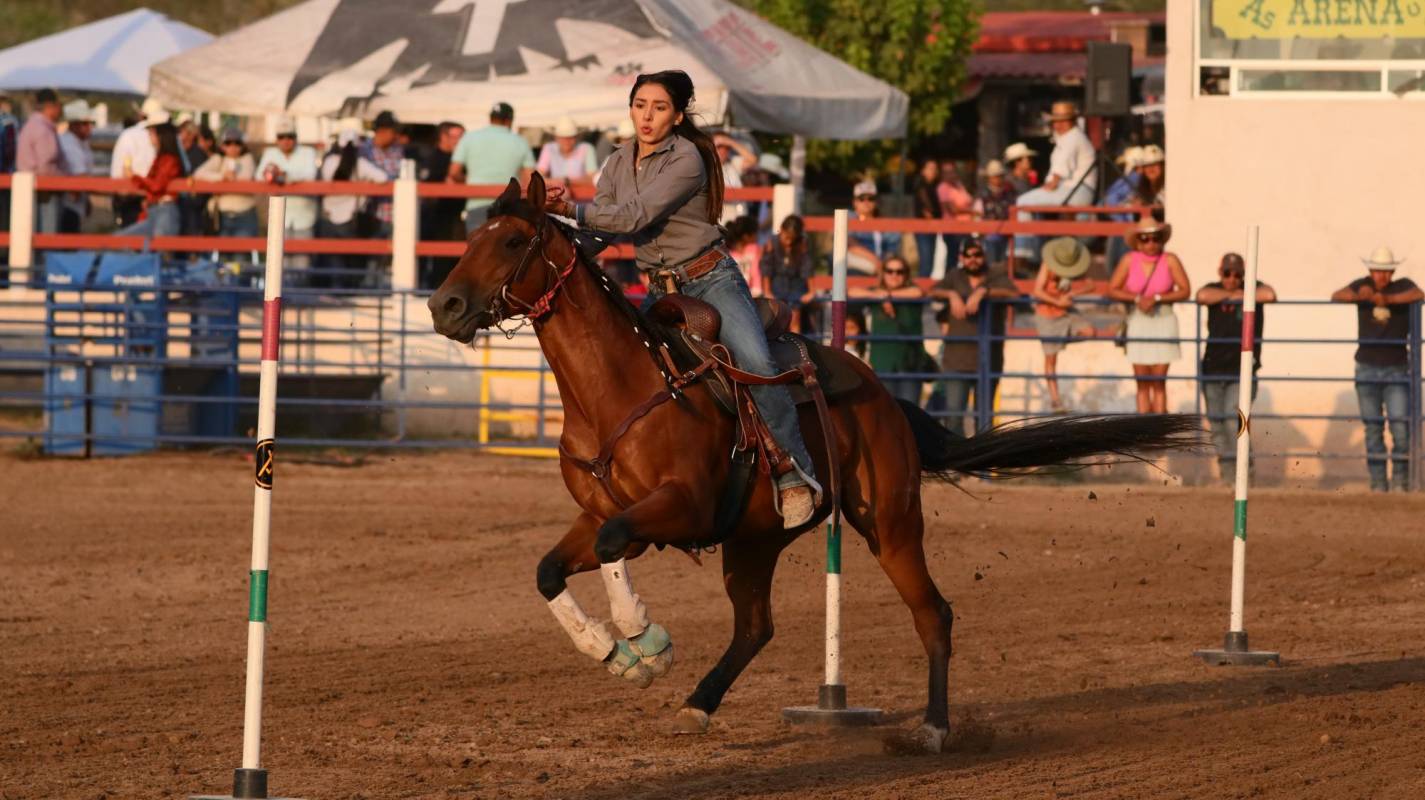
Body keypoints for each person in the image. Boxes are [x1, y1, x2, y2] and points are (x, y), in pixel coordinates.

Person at [544, 69, 820, 527]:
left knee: (755, 364)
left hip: (711, 280)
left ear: (676, 115)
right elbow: (603, 232)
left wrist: (569, 208)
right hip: (657, 289)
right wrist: (555, 237)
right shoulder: (615, 163)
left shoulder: (686, 158)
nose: (647, 116)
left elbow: (632, 218)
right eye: (640, 105)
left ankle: (795, 472)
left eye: (659, 108)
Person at [1330, 247, 1423, 492]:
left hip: (1395, 369)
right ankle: (1379, 484)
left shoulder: (1402, 286)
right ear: (1371, 271)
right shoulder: (1363, 285)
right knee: (1373, 429)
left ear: (1392, 272)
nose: (1381, 276)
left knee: (1400, 429)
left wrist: (1388, 300)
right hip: (1368, 368)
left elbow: (1419, 293)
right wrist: (1360, 294)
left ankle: (1400, 482)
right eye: (1377, 271)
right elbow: (1336, 295)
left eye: (1385, 271)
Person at [1197, 253, 1276, 483]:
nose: (1232, 278)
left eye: (1237, 275)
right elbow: (1202, 295)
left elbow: (1270, 294)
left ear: (1243, 275)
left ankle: (1245, 476)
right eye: (1227, 273)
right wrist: (1235, 296)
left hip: (1242, 371)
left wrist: (1239, 295)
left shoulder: (1255, 287)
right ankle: (1228, 476)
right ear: (1220, 272)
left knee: (1235, 421)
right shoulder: (1214, 288)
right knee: (1217, 424)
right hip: (1213, 368)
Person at [931, 239, 1018, 434]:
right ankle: (958, 462)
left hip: (988, 361)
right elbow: (933, 291)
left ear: (984, 256)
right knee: (952, 418)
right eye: (968, 255)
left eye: (977, 255)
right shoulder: (955, 275)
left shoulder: (995, 274)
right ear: (962, 257)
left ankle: (981, 463)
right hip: (956, 360)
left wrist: (984, 292)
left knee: (984, 419)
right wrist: (952, 295)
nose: (973, 259)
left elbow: (1014, 294)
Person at [1107, 219, 1191, 414]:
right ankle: (1144, 430)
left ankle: (1158, 431)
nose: (1150, 243)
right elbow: (1113, 288)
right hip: (1139, 321)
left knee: (1159, 382)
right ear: (1138, 241)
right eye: (1145, 239)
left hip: (1164, 320)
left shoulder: (1170, 259)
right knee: (1142, 383)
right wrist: (1137, 298)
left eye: (1155, 238)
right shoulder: (1129, 260)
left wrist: (1158, 298)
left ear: (1161, 240)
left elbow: (1185, 290)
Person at [1012, 101, 1097, 266]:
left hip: (1074, 191)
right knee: (1033, 210)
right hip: (1074, 190)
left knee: (1022, 203)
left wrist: (1051, 184)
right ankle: (1032, 254)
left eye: (1060, 120)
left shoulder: (1072, 137)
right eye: (1055, 121)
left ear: (1069, 121)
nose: (1056, 125)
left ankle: (1022, 254)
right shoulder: (1071, 137)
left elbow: (1061, 169)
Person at [849, 255, 929, 405]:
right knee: (886, 413)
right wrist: (878, 296)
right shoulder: (875, 294)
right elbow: (852, 291)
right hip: (882, 364)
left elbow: (918, 292)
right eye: (889, 271)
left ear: (906, 274)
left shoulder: (912, 293)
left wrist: (888, 296)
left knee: (910, 413)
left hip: (910, 365)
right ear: (883, 273)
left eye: (900, 271)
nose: (894, 275)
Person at [1032, 237, 1098, 414]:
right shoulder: (1047, 266)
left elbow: (1069, 292)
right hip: (1048, 314)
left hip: (1065, 311)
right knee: (1051, 359)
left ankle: (1061, 340)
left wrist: (1079, 291)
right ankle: (1056, 400)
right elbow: (1037, 290)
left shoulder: (1072, 267)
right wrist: (1058, 302)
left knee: (1090, 332)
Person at [318, 128, 390, 288]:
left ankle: (335, 289)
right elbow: (383, 178)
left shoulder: (330, 162)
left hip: (329, 215)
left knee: (332, 258)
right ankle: (347, 290)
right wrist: (365, 185)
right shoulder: (361, 164)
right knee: (350, 258)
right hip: (350, 217)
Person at [451, 101, 536, 233]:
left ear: (490, 118)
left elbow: (454, 172)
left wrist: (468, 180)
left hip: (477, 204)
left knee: (478, 250)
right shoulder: (520, 142)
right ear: (509, 121)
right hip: (509, 207)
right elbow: (530, 178)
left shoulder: (469, 138)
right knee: (507, 251)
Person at [257, 117, 319, 272]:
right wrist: (289, 178)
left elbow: (310, 174)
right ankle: (285, 296)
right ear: (277, 139)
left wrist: (282, 175)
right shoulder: (270, 152)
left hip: (303, 216)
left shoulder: (307, 152)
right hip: (278, 217)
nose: (285, 141)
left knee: (302, 263)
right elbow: (259, 175)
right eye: (281, 137)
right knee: (278, 264)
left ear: (295, 138)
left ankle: (298, 296)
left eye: (290, 136)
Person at [414, 120, 465, 288]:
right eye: (456, 136)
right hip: (434, 215)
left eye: (462, 136)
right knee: (431, 257)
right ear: (443, 136)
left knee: (452, 258)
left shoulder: (461, 160)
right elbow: (426, 187)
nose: (460, 141)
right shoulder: (432, 158)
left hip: (455, 216)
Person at [118, 120, 183, 239]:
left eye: (152, 133)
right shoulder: (162, 158)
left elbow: (156, 185)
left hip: (164, 211)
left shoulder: (168, 159)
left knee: (159, 251)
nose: (149, 136)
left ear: (160, 136)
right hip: (157, 210)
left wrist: (133, 176)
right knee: (125, 240)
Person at [17, 88, 66, 237]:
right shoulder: (43, 129)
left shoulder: (33, 125)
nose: (60, 110)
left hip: (32, 189)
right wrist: (64, 179)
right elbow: (46, 165)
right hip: (45, 191)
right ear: (50, 106)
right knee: (47, 235)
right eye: (58, 106)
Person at [194, 126, 258, 239]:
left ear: (242, 145)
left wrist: (224, 181)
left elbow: (246, 177)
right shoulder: (218, 159)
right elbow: (198, 174)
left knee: (241, 254)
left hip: (245, 214)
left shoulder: (247, 159)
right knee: (220, 253)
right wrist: (221, 176)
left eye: (237, 143)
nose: (232, 147)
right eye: (228, 143)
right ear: (222, 146)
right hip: (222, 215)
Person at [111, 98, 166, 229]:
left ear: (141, 115)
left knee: (131, 240)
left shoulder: (128, 135)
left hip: (132, 197)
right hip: (156, 197)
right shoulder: (165, 136)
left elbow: (117, 172)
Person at [759, 214, 816, 333]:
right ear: (781, 230)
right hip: (777, 283)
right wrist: (767, 290)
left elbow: (807, 267)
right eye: (787, 237)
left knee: (795, 319)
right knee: (776, 319)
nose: (789, 242)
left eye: (793, 239)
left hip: (796, 284)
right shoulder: (771, 243)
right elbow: (766, 268)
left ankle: (796, 344)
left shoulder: (802, 243)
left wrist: (811, 291)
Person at [361, 111, 404, 237]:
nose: (396, 135)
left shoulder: (397, 149)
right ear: (382, 130)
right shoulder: (364, 150)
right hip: (372, 213)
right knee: (373, 252)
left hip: (395, 213)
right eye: (393, 131)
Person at [1103, 146, 1143, 274]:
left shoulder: (1135, 178)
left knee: (1119, 263)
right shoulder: (1131, 178)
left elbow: (1112, 199)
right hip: (1120, 221)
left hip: (1125, 223)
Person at [846, 180, 901, 275]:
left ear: (876, 202)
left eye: (871, 198)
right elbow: (850, 245)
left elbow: (891, 249)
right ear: (855, 202)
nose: (866, 202)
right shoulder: (849, 217)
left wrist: (885, 264)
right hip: (859, 264)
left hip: (881, 265)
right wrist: (876, 262)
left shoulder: (884, 223)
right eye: (861, 198)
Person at [58, 100, 95, 234]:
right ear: (74, 125)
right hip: (68, 204)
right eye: (85, 124)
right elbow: (80, 175)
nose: (90, 127)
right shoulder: (69, 144)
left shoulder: (79, 142)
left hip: (75, 202)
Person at [973, 159, 1016, 267]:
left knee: (1003, 265)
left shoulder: (1009, 194)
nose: (998, 179)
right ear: (989, 178)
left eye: (1000, 176)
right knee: (990, 264)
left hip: (1006, 235)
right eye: (995, 176)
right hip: (988, 236)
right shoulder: (982, 195)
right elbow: (977, 215)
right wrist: (978, 235)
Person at [537, 117, 598, 185]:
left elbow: (592, 178)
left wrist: (567, 181)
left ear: (576, 137)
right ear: (556, 138)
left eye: (570, 137)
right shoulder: (549, 148)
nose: (566, 141)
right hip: (557, 190)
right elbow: (538, 175)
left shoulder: (586, 149)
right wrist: (559, 182)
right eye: (563, 137)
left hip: (580, 192)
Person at [936, 160, 974, 266]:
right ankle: (950, 280)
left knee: (968, 256)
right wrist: (974, 212)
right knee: (953, 257)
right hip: (952, 228)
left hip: (966, 227)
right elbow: (952, 210)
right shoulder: (943, 188)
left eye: (952, 171)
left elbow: (969, 201)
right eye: (947, 172)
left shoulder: (959, 185)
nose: (950, 174)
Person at [911, 158, 942, 278]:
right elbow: (927, 209)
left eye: (935, 169)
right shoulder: (921, 185)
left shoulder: (934, 186)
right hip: (924, 227)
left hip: (932, 228)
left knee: (930, 261)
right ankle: (923, 288)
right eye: (930, 168)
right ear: (923, 171)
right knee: (926, 261)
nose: (934, 171)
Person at [725, 215, 762, 297]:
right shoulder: (754, 249)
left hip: (734, 295)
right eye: (755, 234)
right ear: (746, 236)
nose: (757, 237)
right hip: (753, 294)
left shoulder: (727, 252)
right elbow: (756, 272)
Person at [1133, 144, 1166, 213]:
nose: (1151, 169)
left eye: (1155, 164)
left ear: (1162, 167)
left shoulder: (1169, 188)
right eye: (1147, 165)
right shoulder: (1141, 189)